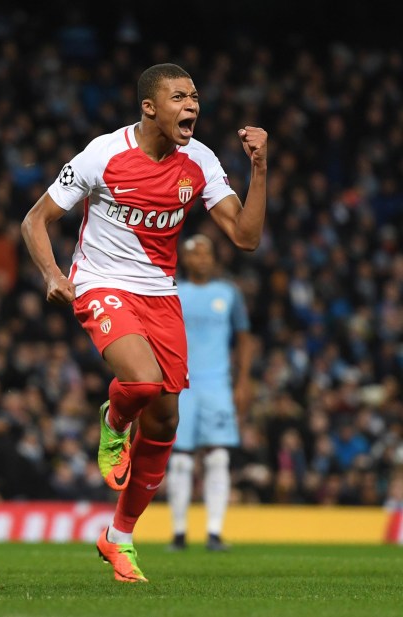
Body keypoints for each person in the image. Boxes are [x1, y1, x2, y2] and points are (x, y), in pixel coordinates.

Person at [21, 63, 267, 582]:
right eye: (180, 97)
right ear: (150, 107)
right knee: (141, 382)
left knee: (164, 423)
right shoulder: (103, 153)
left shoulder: (199, 160)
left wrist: (260, 169)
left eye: (196, 96)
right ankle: (113, 421)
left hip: (161, 295)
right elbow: (35, 219)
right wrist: (51, 273)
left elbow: (245, 237)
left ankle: (119, 538)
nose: (193, 106)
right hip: (101, 283)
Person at [167, 235, 254, 552]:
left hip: (217, 384)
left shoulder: (228, 293)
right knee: (180, 460)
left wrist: (243, 381)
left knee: (218, 456)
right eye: (195, 253)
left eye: (206, 253)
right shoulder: (172, 291)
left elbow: (244, 338)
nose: (201, 258)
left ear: (214, 258)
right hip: (181, 383)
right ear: (185, 259)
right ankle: (179, 534)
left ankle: (214, 533)